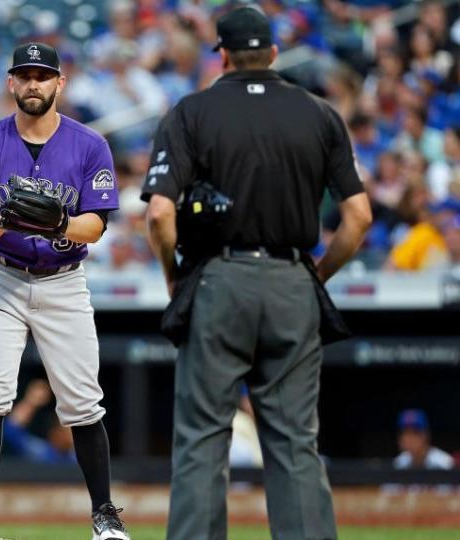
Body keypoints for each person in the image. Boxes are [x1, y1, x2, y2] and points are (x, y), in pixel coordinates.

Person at [142, 8, 373, 540]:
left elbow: (159, 212)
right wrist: (317, 273)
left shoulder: (192, 111)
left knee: (204, 441)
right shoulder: (318, 112)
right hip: (293, 281)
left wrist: (174, 274)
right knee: (294, 442)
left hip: (218, 280)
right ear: (273, 53)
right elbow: (358, 216)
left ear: (220, 54)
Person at [0, 42, 129, 540]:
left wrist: (58, 221)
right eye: (25, 75)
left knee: (81, 402)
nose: (34, 83)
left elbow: (95, 227)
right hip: (2, 278)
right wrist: (9, 216)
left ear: (60, 83)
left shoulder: (89, 144)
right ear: (11, 83)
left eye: (43, 75)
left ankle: (104, 514)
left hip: (64, 281)